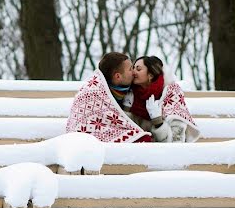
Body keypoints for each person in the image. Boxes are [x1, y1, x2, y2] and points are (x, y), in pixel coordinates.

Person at [65, 51, 199, 143]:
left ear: (151, 75)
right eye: (132, 68)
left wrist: (158, 121)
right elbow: (123, 126)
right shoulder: (127, 94)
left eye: (138, 69)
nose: (134, 72)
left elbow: (176, 143)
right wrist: (127, 110)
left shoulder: (170, 95)